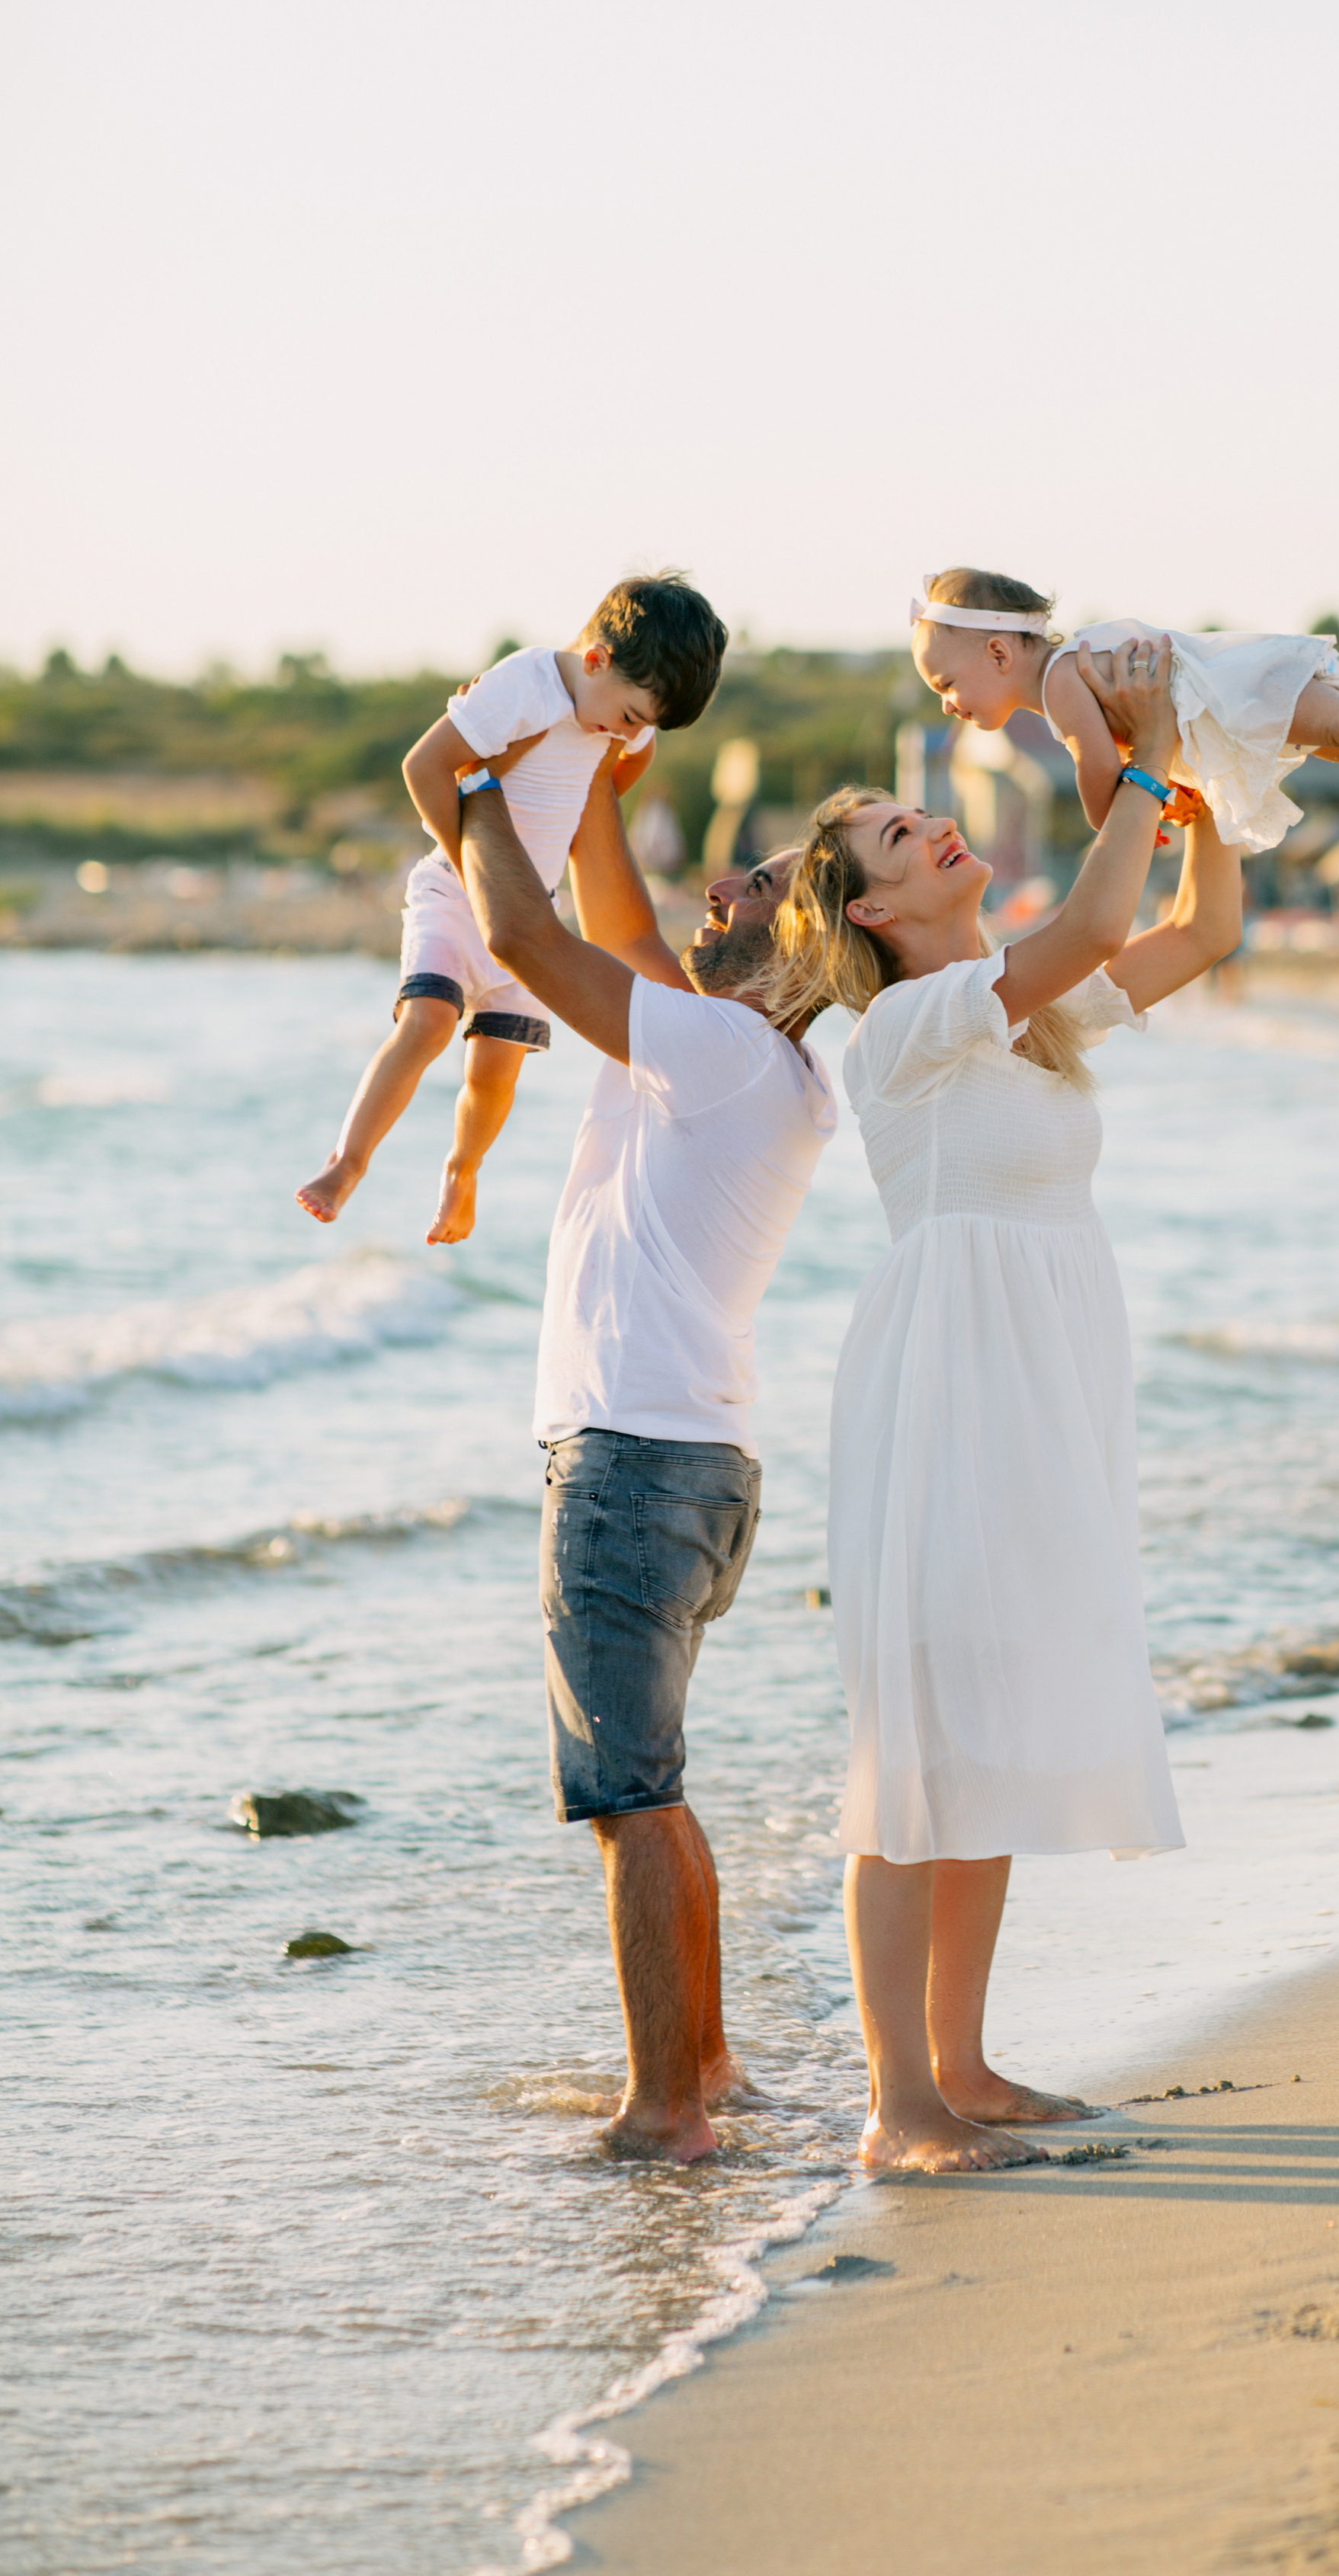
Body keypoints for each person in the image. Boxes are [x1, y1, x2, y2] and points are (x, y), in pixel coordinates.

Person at [768, 638, 1244, 2173]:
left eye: (923, 818)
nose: (935, 829)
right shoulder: (904, 1028)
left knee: (982, 1719)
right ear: (870, 912)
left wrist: (1210, 773)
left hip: (1038, 1382)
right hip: (950, 1387)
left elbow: (1198, 924)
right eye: (901, 840)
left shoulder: (1026, 1019)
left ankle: (961, 2066)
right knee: (913, 1737)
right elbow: (1102, 909)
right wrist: (1142, 750)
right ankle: (892, 2106)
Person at [456, 754, 834, 2162]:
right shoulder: (736, 1050)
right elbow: (613, 921)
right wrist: (597, 780)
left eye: (764, 885)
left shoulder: (722, 1051)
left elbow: (524, 938)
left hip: (631, 1459)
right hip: (691, 1459)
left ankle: (665, 2111)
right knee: (653, 1787)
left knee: (632, 1796)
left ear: (802, 947)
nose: (725, 885)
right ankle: (708, 2070)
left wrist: (486, 779)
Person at [296, 571, 726, 1243]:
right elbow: (425, 767)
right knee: (428, 1023)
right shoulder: (525, 686)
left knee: (495, 1072)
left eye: (647, 725)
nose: (634, 732)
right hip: (453, 888)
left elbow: (619, 772)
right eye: (634, 717)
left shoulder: (616, 715)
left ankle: (462, 1172)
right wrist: (475, 866)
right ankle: (346, 1164)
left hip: (535, 915)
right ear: (596, 660)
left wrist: (609, 763)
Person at [911, 558, 1339, 853]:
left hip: (1233, 694)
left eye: (946, 684)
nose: (946, 705)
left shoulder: (1060, 681)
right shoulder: (1064, 677)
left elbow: (1098, 766)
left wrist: (1115, 823)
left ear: (1000, 653)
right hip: (1229, 706)